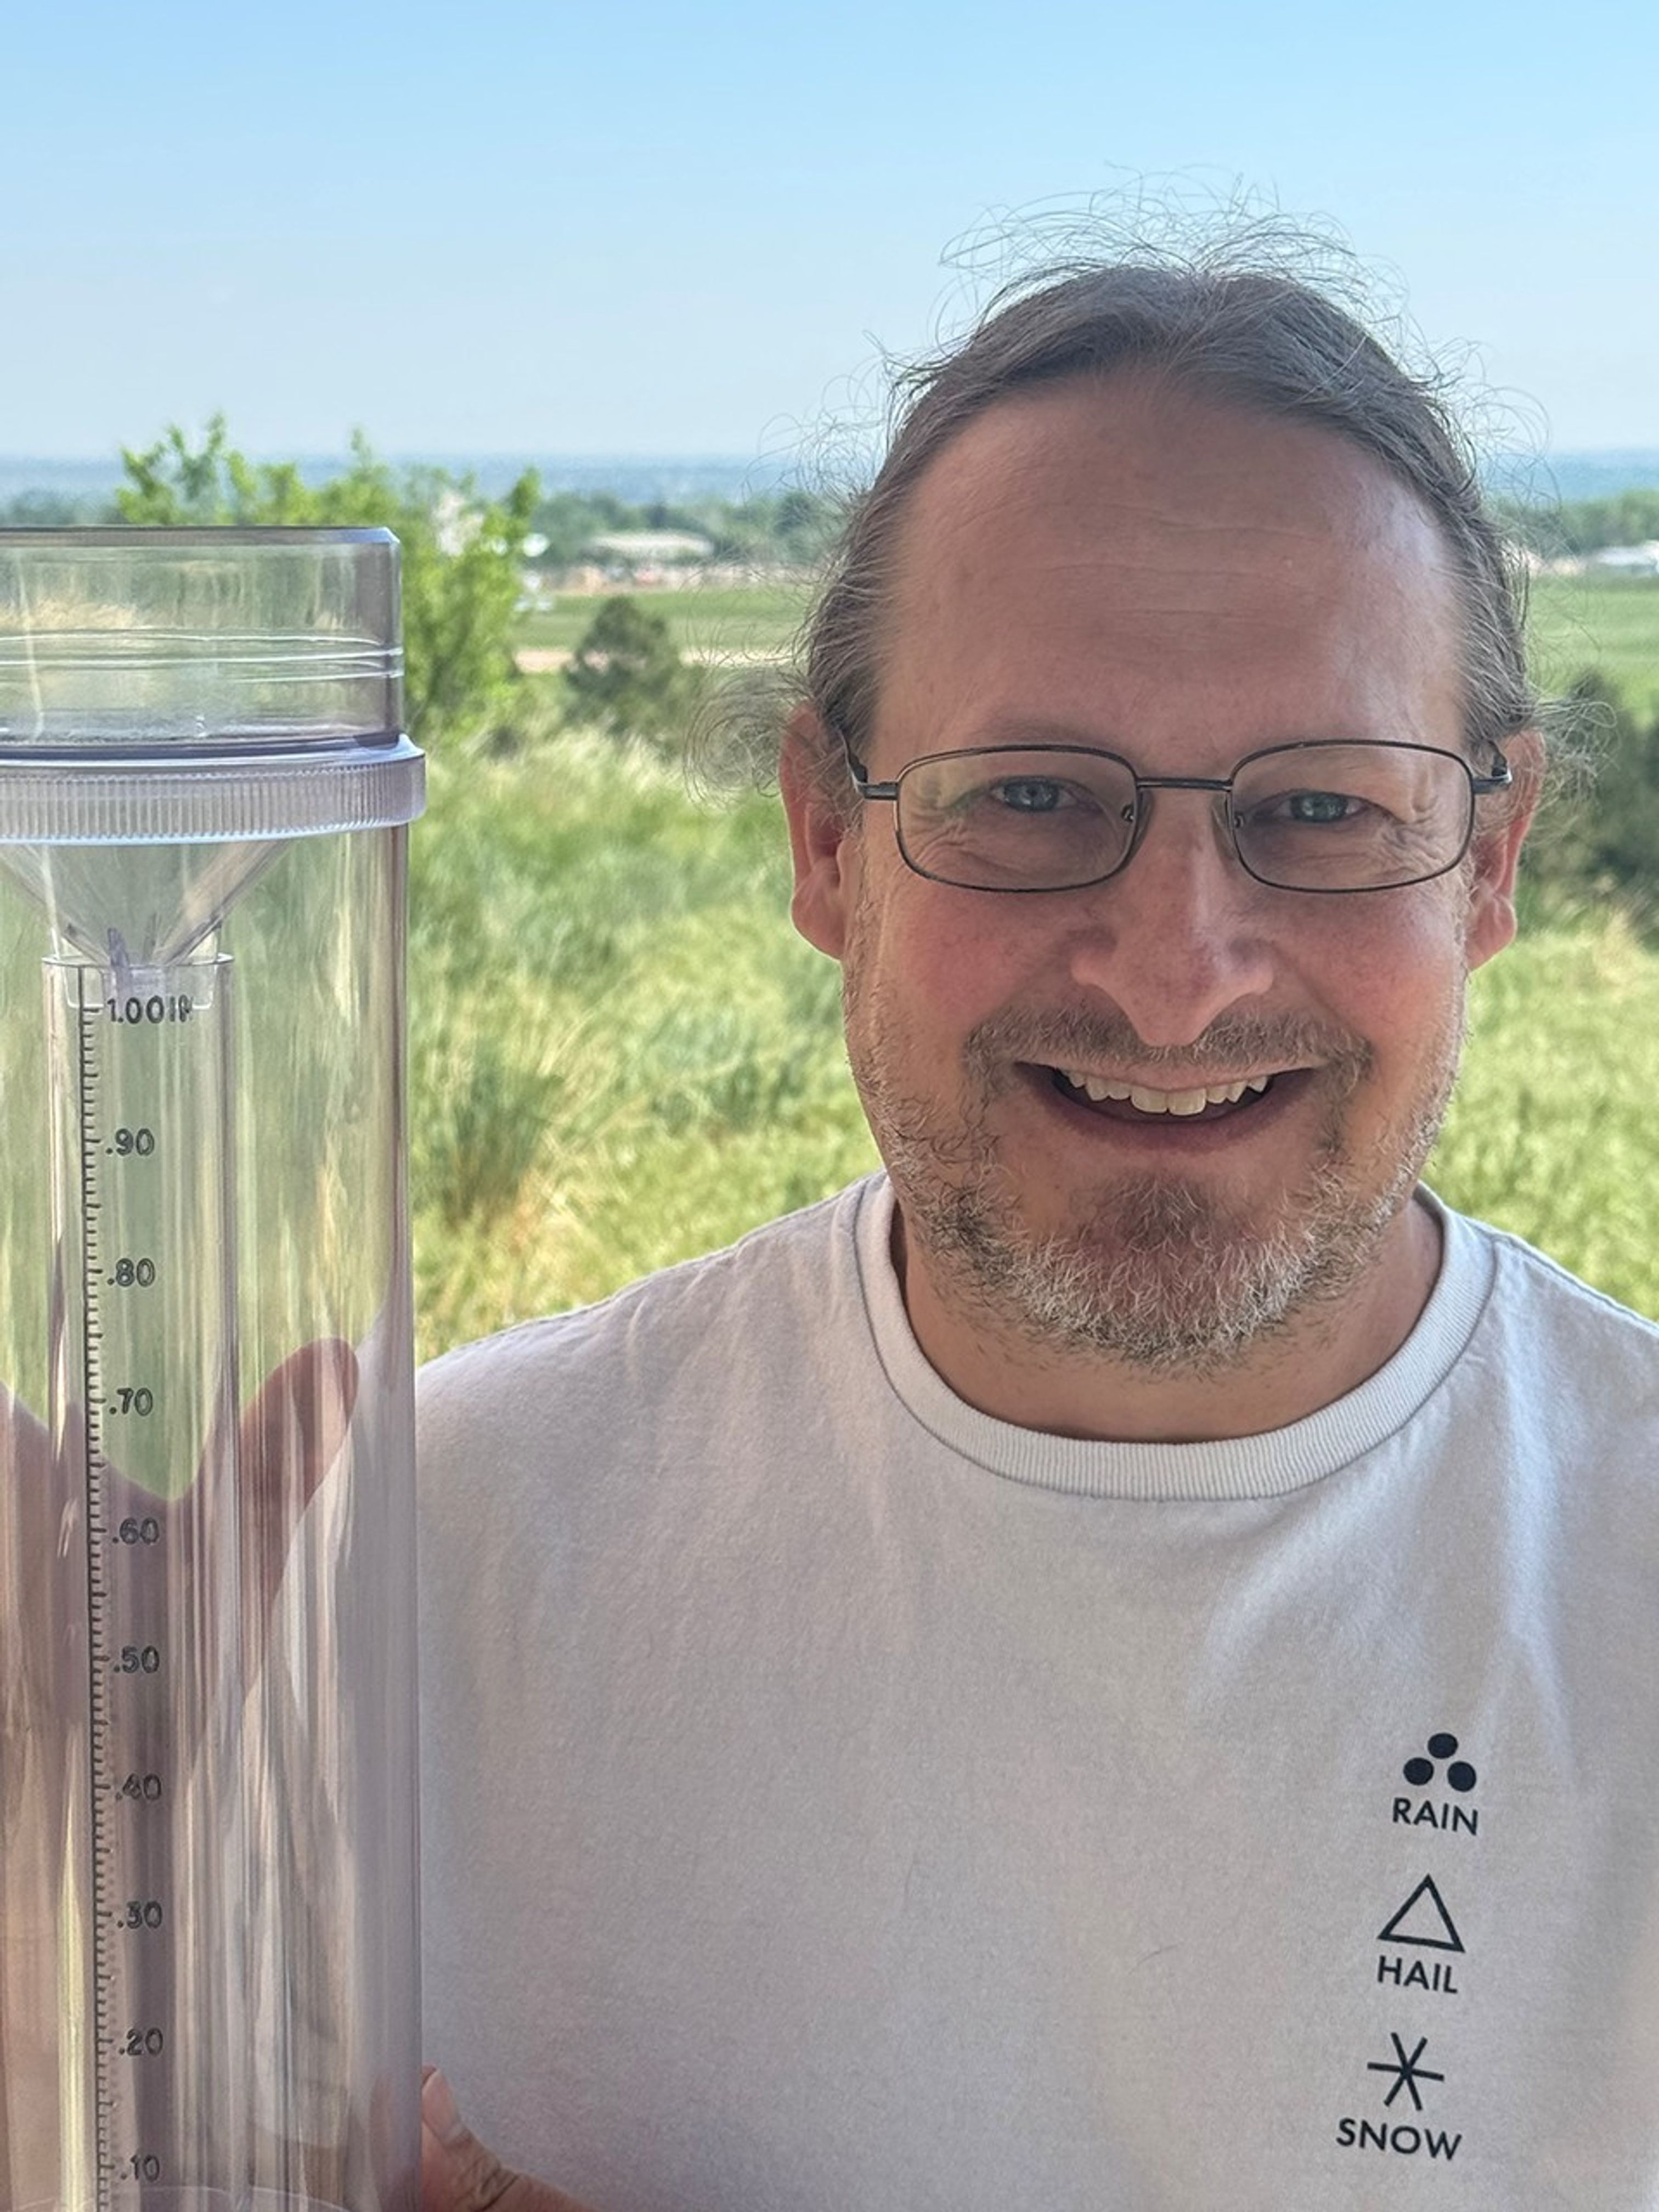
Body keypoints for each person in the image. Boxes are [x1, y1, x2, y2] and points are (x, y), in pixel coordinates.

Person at [416, 255, 1659, 2210]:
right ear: (827, 844)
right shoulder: (424, 1558)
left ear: (1488, 863)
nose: (1175, 976)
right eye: (1028, 795)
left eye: (1323, 811)